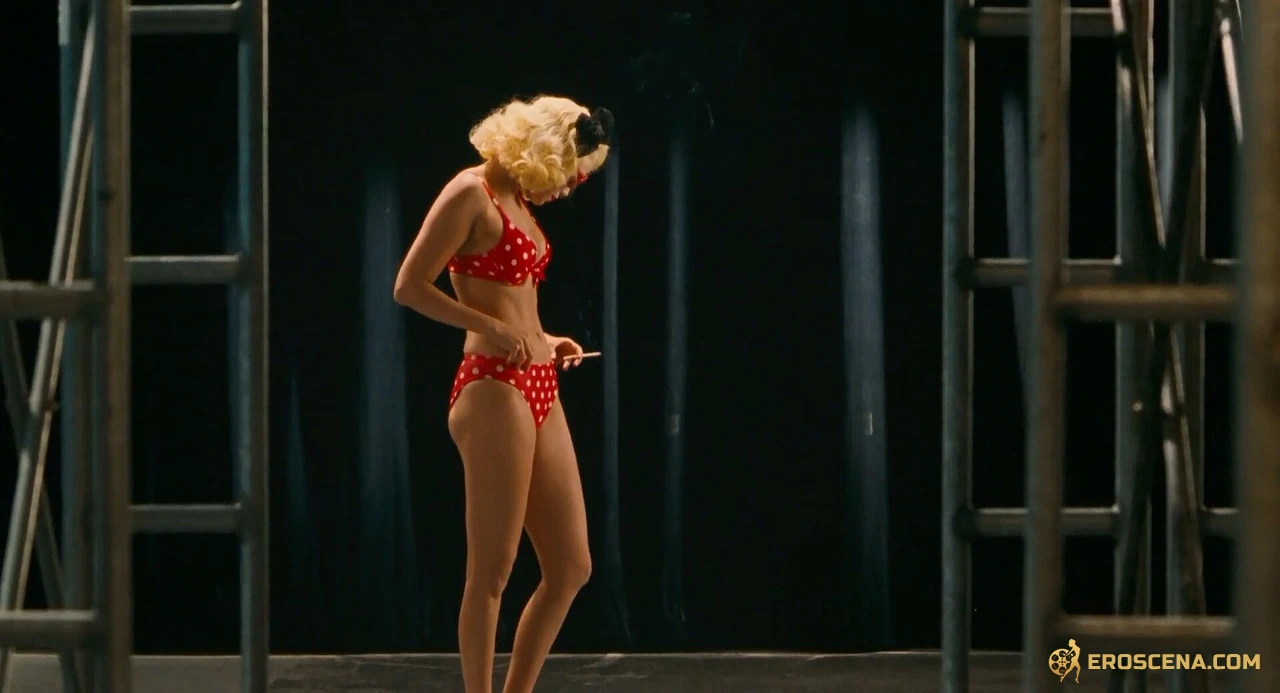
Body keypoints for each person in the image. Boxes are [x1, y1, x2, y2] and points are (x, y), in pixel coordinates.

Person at [393, 95, 614, 693]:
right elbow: (409, 286)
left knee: (571, 566)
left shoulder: (517, 200)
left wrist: (545, 338)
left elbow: (516, 303)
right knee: (492, 571)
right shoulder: (470, 193)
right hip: (493, 386)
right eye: (568, 174)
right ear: (542, 152)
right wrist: (490, 327)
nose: (568, 189)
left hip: (537, 379)